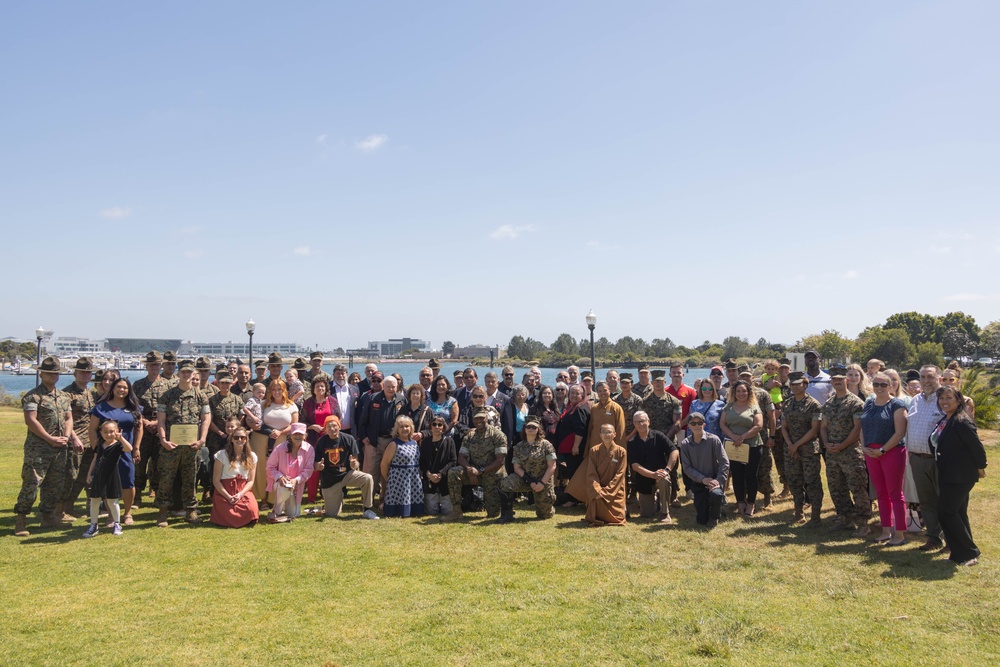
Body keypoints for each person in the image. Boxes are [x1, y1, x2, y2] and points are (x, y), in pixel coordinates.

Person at [13, 356, 76, 536]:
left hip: (60, 448)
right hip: (39, 448)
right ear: (41, 374)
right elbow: (30, 420)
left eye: (55, 373)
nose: (52, 376)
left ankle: (48, 517)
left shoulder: (64, 397)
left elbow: (68, 418)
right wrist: (49, 438)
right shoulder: (33, 396)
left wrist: (65, 436)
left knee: (54, 484)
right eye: (49, 373)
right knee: (32, 483)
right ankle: (21, 520)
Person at [932, 385, 988, 566]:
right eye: (941, 398)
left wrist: (981, 467)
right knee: (959, 513)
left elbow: (977, 448)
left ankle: (970, 552)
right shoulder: (945, 420)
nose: (944, 401)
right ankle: (960, 554)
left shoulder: (962, 421)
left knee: (946, 512)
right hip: (947, 472)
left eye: (949, 398)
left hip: (960, 475)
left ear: (958, 400)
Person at [155, 359, 211, 526]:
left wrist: (202, 439)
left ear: (193, 374)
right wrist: (163, 440)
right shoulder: (167, 396)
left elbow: (206, 418)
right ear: (178, 374)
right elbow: (161, 421)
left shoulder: (200, 395)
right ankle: (163, 512)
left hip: (192, 446)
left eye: (189, 372)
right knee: (166, 478)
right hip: (171, 446)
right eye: (183, 372)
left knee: (190, 478)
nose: (186, 375)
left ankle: (190, 510)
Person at [820, 365, 872, 536]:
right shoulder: (828, 403)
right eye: (834, 380)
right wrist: (826, 443)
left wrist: (841, 446)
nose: (837, 382)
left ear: (847, 381)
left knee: (857, 488)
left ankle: (863, 523)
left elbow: (857, 429)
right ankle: (844, 518)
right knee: (836, 487)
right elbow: (823, 427)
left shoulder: (856, 403)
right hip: (833, 453)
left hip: (850, 453)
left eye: (841, 379)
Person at [860, 372, 909, 545]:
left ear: (891, 386)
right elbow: (862, 427)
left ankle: (900, 534)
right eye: (876, 384)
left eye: (883, 385)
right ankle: (885, 531)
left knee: (895, 494)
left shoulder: (897, 405)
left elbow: (900, 432)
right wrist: (864, 446)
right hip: (871, 453)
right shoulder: (869, 404)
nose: (879, 388)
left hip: (892, 452)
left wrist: (882, 449)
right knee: (881, 493)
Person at [89, 377, 143, 526]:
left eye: (125, 388)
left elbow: (139, 428)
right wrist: (97, 449)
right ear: (113, 388)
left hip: (126, 450)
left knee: (128, 482)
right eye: (119, 387)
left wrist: (136, 447)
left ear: (129, 390)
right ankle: (111, 516)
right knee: (107, 483)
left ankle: (127, 513)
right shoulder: (101, 407)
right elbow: (93, 429)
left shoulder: (133, 407)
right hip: (107, 452)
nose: (122, 390)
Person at [906, 365, 946, 551]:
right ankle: (933, 538)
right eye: (922, 377)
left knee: (946, 501)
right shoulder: (915, 400)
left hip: (940, 460)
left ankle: (952, 540)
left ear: (939, 377)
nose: (925, 381)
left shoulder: (946, 400)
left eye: (930, 377)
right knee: (927, 501)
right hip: (917, 459)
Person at [443, 408, 508, 521]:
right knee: (454, 472)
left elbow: (499, 461)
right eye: (476, 418)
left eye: (481, 418)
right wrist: (469, 469)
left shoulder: (498, 435)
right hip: (473, 471)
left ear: (486, 418)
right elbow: (461, 457)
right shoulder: (470, 435)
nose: (479, 420)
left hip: (493, 474)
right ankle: (457, 511)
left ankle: (495, 506)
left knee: (493, 514)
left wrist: (480, 471)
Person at [780, 372, 824, 526]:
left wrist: (796, 445)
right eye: (792, 384)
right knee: (794, 481)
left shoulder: (814, 405)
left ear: (805, 385)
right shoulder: (787, 403)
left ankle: (816, 516)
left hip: (808, 449)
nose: (795, 386)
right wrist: (790, 444)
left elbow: (814, 430)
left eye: (798, 384)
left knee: (812, 482)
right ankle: (798, 513)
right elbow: (784, 427)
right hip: (790, 449)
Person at [313, 416, 379, 519]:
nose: (332, 429)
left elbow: (356, 461)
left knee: (367, 478)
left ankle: (367, 509)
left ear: (339, 426)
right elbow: (316, 464)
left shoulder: (348, 439)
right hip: (330, 480)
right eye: (328, 426)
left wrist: (354, 464)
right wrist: (319, 466)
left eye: (334, 425)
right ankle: (339, 497)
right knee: (332, 514)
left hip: (347, 474)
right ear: (325, 429)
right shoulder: (321, 442)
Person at [497, 415, 558, 523]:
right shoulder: (518, 446)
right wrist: (530, 482)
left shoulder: (546, 445)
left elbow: (552, 466)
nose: (531, 429)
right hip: (525, 479)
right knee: (506, 483)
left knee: (544, 515)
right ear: (524, 429)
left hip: (542, 480)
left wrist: (541, 483)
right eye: (528, 427)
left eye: (534, 427)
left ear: (538, 429)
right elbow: (517, 468)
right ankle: (507, 514)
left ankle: (548, 507)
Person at [719, 380, 764, 518]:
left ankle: (750, 504)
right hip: (733, 446)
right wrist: (733, 436)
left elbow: (758, 425)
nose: (741, 393)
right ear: (734, 392)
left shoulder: (754, 406)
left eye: (744, 391)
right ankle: (740, 503)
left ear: (749, 392)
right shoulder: (729, 407)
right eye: (738, 391)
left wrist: (742, 437)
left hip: (752, 446)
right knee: (737, 476)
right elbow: (722, 424)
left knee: (751, 476)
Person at [59, 357, 96, 522]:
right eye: (82, 372)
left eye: (88, 372)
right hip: (75, 441)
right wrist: (73, 438)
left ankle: (69, 507)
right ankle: (59, 510)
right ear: (75, 373)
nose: (86, 375)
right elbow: (64, 420)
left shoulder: (90, 393)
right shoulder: (67, 394)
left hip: (89, 441)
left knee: (82, 477)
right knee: (70, 476)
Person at [81, 419, 132, 538]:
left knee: (112, 502)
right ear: (101, 432)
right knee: (94, 501)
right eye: (105, 432)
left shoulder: (118, 445)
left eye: (111, 432)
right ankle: (93, 525)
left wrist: (121, 438)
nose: (108, 434)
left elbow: (129, 448)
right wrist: (89, 474)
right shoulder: (99, 445)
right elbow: (95, 459)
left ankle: (117, 524)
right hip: (98, 476)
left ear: (117, 431)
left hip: (111, 476)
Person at [627, 411, 678, 523]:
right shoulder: (632, 442)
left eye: (642, 421)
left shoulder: (658, 436)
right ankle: (656, 500)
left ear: (648, 422)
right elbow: (635, 466)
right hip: (644, 479)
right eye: (637, 422)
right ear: (634, 425)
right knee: (646, 514)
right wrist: (652, 475)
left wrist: (667, 470)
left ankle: (665, 513)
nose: (640, 424)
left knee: (664, 480)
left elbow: (674, 451)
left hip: (661, 475)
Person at [359, 375, 406, 498]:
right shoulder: (372, 398)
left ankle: (386, 498)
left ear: (397, 387)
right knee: (370, 472)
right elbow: (363, 419)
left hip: (392, 442)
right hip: (374, 441)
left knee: (388, 471)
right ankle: (368, 499)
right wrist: (363, 436)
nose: (390, 389)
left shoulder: (401, 400)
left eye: (393, 387)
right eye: (388, 386)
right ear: (383, 386)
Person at [680, 412, 729, 528]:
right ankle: (711, 507)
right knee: (701, 520)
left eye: (699, 423)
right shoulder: (685, 444)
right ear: (689, 426)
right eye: (693, 423)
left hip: (714, 480)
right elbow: (687, 468)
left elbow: (724, 462)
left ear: (704, 425)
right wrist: (703, 479)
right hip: (698, 482)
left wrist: (718, 480)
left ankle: (715, 516)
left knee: (716, 495)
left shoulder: (714, 440)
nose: (697, 426)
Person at [257, 379, 299, 512]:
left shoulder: (291, 405)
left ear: (284, 391)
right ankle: (263, 499)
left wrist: (281, 431)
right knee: (262, 469)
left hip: (283, 440)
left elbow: (294, 425)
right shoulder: (264, 404)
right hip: (263, 440)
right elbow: (255, 418)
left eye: (279, 389)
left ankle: (276, 499)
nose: (276, 392)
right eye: (274, 389)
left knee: (280, 470)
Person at [204, 370, 244, 500]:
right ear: (218, 384)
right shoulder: (212, 400)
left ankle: (231, 490)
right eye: (222, 383)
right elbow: (209, 419)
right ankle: (211, 491)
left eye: (227, 383)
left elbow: (241, 415)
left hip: (234, 437)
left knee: (232, 463)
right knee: (214, 464)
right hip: (216, 437)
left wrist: (235, 431)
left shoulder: (237, 399)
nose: (225, 386)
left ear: (231, 384)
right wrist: (220, 432)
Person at [132, 351, 164, 509]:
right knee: (139, 463)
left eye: (157, 364)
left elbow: (171, 408)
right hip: (142, 428)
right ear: (147, 366)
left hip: (161, 429)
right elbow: (133, 407)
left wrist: (158, 422)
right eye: (151, 365)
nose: (154, 367)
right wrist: (144, 421)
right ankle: (137, 495)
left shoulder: (169, 384)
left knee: (159, 464)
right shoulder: (138, 385)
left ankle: (157, 494)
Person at [210, 426, 259, 528]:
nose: (239, 440)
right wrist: (228, 496)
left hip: (242, 490)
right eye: (236, 437)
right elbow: (216, 481)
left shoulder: (252, 456)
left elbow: (250, 481)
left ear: (246, 439)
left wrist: (240, 494)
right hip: (224, 490)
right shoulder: (221, 455)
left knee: (251, 509)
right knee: (226, 512)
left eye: (242, 437)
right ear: (231, 439)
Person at [265, 423, 314, 522]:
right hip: (280, 483)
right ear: (290, 435)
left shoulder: (309, 449)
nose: (297, 436)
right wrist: (279, 477)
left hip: (297, 486)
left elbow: (309, 470)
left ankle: (287, 506)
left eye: (300, 434)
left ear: (305, 436)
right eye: (295, 434)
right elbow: (269, 467)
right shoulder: (280, 448)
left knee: (295, 514)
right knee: (284, 489)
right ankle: (277, 510)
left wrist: (296, 480)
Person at [301, 376, 338, 504]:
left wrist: (330, 428)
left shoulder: (332, 401)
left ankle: (326, 495)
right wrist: (311, 426)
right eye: (317, 386)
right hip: (313, 439)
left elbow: (338, 418)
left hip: (329, 438)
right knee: (314, 467)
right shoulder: (308, 403)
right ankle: (311, 497)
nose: (320, 388)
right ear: (313, 389)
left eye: (322, 386)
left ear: (326, 388)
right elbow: (302, 421)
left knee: (329, 467)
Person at [380, 416, 425, 517]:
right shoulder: (393, 444)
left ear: (411, 428)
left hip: (413, 479)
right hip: (398, 481)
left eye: (407, 426)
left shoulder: (414, 443)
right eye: (401, 427)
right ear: (397, 430)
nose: (404, 429)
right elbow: (384, 464)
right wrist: (389, 479)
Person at [584, 423, 627, 527]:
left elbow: (620, 474)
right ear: (600, 435)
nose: (606, 435)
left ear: (614, 434)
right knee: (596, 496)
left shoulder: (621, 452)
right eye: (603, 432)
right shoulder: (594, 451)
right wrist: (597, 489)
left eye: (609, 432)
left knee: (617, 516)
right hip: (599, 489)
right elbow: (591, 473)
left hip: (615, 490)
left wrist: (607, 491)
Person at [553, 385, 590, 504]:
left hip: (574, 448)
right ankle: (572, 497)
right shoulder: (572, 407)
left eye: (577, 393)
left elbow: (580, 429)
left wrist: (576, 446)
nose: (574, 395)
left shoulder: (580, 409)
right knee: (570, 473)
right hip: (567, 447)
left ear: (582, 395)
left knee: (575, 474)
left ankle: (574, 499)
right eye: (572, 393)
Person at [420, 417, 458, 517]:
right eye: (434, 424)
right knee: (431, 512)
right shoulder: (425, 442)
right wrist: (428, 474)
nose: (437, 427)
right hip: (430, 482)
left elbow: (453, 461)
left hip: (445, 482)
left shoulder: (449, 441)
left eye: (440, 424)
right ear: (430, 427)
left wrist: (441, 474)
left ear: (443, 427)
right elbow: (422, 462)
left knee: (448, 511)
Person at [587, 381, 626, 449]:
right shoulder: (594, 408)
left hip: (610, 445)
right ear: (597, 393)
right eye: (600, 391)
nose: (602, 393)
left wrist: (619, 450)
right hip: (595, 444)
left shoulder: (616, 408)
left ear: (609, 391)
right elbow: (590, 429)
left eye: (605, 390)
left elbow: (620, 430)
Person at [330, 364, 359, 436]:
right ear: (333, 375)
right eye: (338, 373)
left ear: (347, 375)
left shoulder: (354, 389)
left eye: (343, 373)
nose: (340, 376)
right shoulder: (328, 388)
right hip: (333, 430)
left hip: (351, 431)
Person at [613, 373, 643, 442]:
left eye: (627, 383)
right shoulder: (615, 400)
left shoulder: (637, 400)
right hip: (618, 436)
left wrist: (629, 437)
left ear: (632, 384)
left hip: (634, 436)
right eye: (622, 383)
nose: (624, 385)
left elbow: (640, 420)